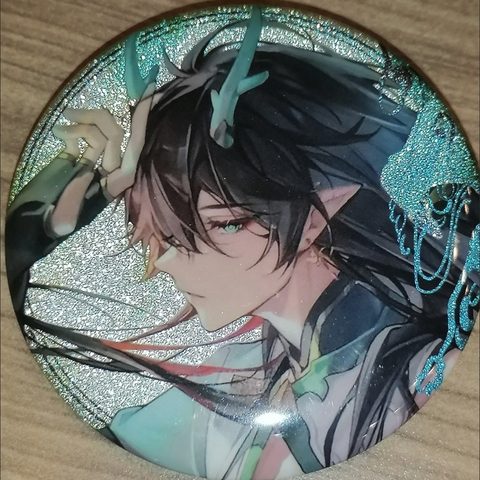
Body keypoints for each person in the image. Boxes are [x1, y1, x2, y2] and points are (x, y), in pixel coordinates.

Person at [5, 8, 479, 480]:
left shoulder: (422, 374)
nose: (167, 261)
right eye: (168, 233)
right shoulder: (243, 378)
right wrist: (27, 239)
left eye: (221, 225)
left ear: (317, 214)